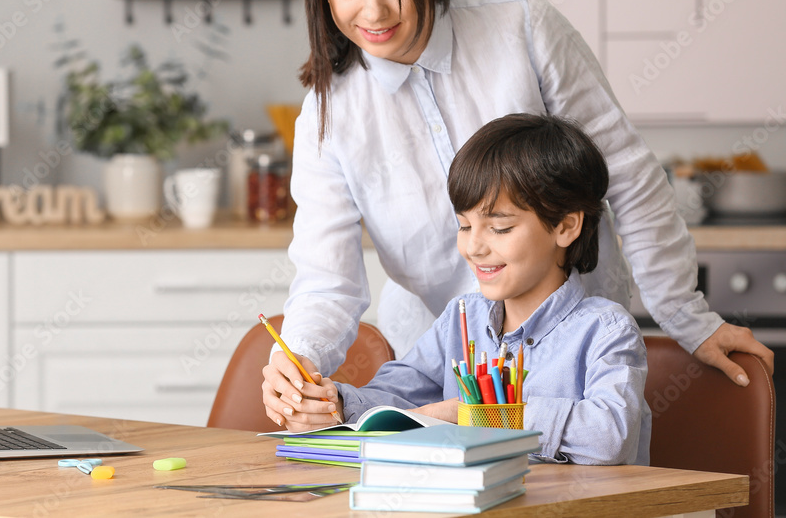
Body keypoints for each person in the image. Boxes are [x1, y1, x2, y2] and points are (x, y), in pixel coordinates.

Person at [262, 0, 772, 428]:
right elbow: (326, 278)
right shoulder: (328, 114)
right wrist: (300, 360)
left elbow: (625, 172)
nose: (374, 12)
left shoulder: (519, 27)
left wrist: (686, 315)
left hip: (566, 353)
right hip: (447, 360)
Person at [276, 114, 650, 465]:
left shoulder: (606, 330)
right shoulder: (462, 318)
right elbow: (394, 395)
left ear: (566, 227)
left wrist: (473, 413)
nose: (474, 247)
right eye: (464, 226)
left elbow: (609, 436)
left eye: (500, 228)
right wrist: (332, 402)